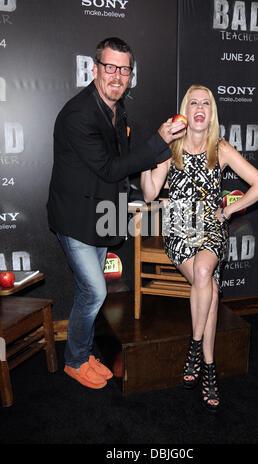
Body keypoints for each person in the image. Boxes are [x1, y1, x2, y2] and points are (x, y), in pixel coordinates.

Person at [47, 37, 186, 390]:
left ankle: (82, 351)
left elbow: (118, 167)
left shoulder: (116, 108)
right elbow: (110, 168)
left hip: (98, 212)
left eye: (124, 69)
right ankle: (75, 362)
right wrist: (159, 142)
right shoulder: (78, 114)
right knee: (94, 292)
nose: (117, 75)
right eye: (110, 67)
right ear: (95, 69)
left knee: (88, 292)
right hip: (76, 217)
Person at [140, 84, 258, 412]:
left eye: (206, 104)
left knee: (203, 273)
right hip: (179, 232)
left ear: (211, 113)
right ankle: (209, 368)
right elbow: (150, 194)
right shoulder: (171, 148)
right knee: (209, 286)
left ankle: (194, 348)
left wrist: (226, 211)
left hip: (211, 229)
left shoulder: (221, 149)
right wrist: (149, 153)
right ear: (186, 111)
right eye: (193, 102)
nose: (200, 107)